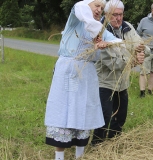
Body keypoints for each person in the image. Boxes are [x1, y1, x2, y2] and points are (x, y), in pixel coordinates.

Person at [44, 0, 126, 159]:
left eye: (102, 8)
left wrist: (107, 42)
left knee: (84, 110)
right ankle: (59, 157)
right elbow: (80, 8)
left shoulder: (100, 29)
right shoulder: (77, 17)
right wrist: (98, 34)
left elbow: (119, 42)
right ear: (88, 4)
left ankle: (79, 156)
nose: (99, 10)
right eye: (96, 6)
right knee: (64, 111)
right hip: (68, 71)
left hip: (87, 73)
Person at [92, 0, 147, 145]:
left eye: (120, 14)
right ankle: (97, 145)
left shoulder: (127, 27)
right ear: (106, 14)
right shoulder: (100, 31)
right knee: (105, 116)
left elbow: (140, 44)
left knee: (120, 116)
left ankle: (113, 143)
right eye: (114, 15)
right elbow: (112, 63)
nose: (118, 18)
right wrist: (134, 60)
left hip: (122, 82)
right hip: (105, 81)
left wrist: (141, 53)